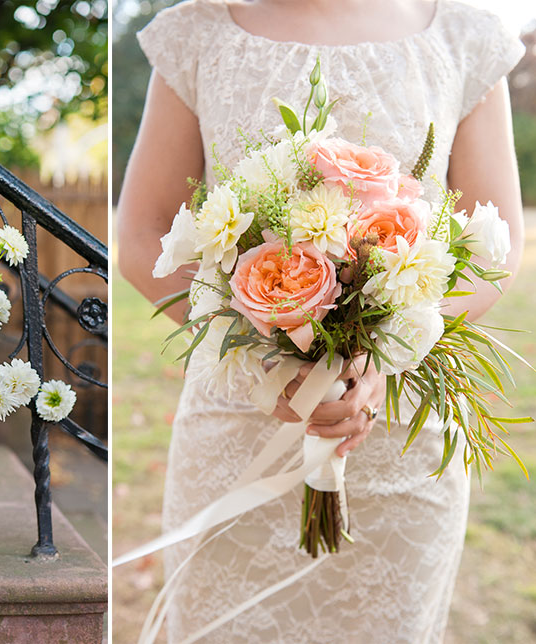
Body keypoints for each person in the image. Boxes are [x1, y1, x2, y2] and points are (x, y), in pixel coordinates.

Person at [116, 0, 525, 641]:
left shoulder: (463, 36)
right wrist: (262, 357)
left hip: (397, 441)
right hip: (238, 424)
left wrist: (380, 359)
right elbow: (142, 232)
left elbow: (495, 245)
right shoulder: (199, 34)